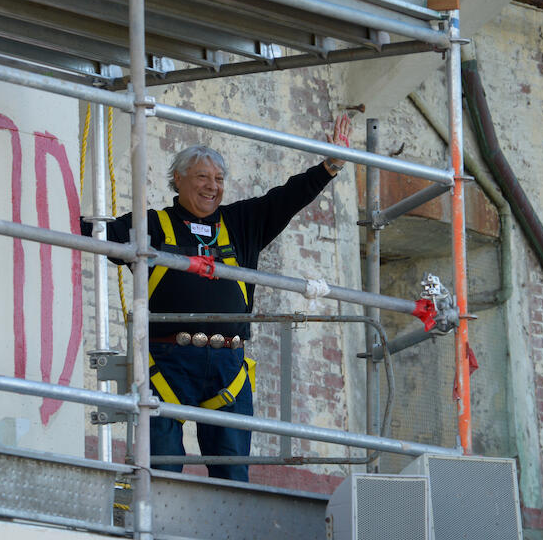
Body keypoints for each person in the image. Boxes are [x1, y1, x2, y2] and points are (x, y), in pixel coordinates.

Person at [83, 116, 351, 482]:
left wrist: (330, 165)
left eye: (219, 179)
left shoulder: (241, 223)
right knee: (160, 470)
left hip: (229, 367)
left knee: (233, 472)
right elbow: (92, 233)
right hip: (167, 365)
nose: (212, 187)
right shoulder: (151, 225)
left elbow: (287, 198)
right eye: (202, 177)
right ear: (177, 179)